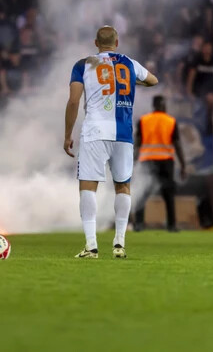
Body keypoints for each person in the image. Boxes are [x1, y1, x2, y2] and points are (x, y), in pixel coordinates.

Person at [63, 25, 158, 259]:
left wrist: (67, 134)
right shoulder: (130, 63)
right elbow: (153, 80)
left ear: (96, 43)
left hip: (95, 131)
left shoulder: (84, 64)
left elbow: (74, 101)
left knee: (88, 186)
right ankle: (119, 244)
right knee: (123, 186)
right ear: (117, 43)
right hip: (123, 133)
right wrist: (134, 83)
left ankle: (91, 246)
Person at [133, 95, 186, 232]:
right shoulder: (171, 121)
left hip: (147, 160)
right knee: (168, 193)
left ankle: (139, 224)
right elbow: (177, 145)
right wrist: (183, 165)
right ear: (163, 105)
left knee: (143, 192)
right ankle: (172, 225)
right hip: (166, 161)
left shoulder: (143, 121)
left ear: (154, 105)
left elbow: (137, 144)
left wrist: (133, 161)